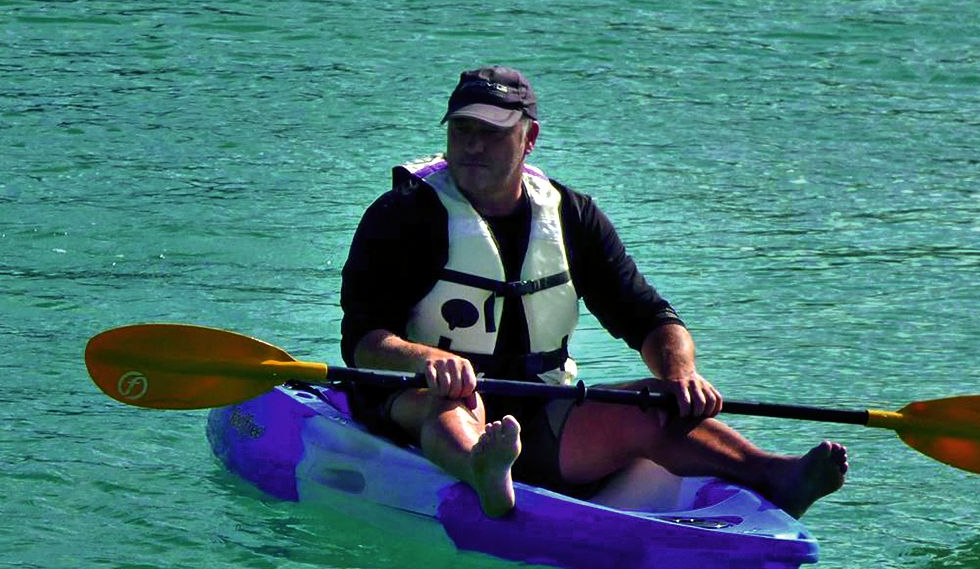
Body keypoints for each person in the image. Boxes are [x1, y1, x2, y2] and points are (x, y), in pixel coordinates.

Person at [340, 66, 848, 519]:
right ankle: (482, 472)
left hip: (540, 409)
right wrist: (425, 357)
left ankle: (773, 475)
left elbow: (648, 317)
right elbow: (363, 341)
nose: (473, 145)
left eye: (492, 134)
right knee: (452, 400)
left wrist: (680, 373)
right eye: (463, 130)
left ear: (529, 138)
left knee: (656, 401)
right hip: (423, 403)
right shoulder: (401, 218)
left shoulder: (571, 216)